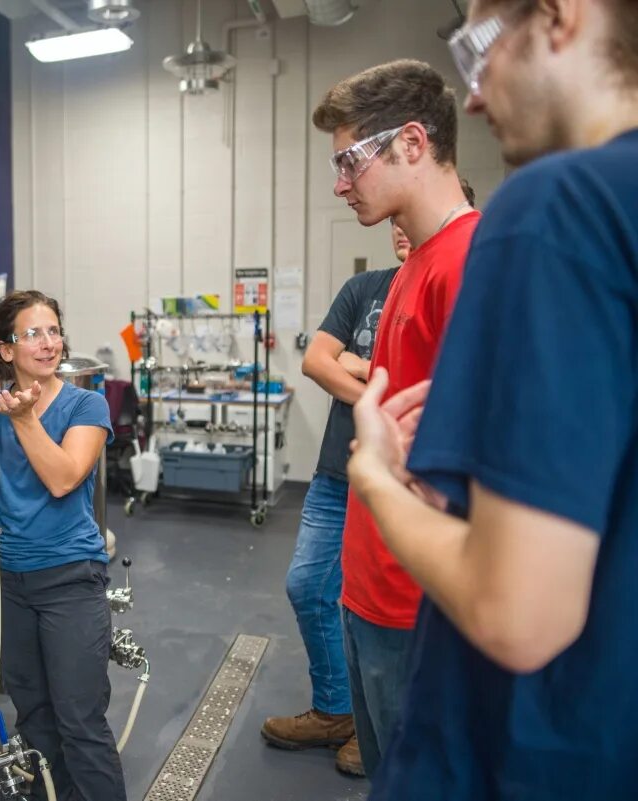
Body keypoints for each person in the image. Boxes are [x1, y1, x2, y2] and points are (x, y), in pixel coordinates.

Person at [348, 1, 638, 798]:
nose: (471, 98)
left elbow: (518, 610)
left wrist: (374, 474)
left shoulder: (557, 205)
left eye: (480, 49)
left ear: (561, 15)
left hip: (533, 751)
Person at [311, 59, 480, 778]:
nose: (341, 183)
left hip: (417, 602)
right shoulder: (413, 267)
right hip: (370, 580)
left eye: (351, 160)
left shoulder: (466, 261)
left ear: (411, 142)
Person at [0, 290, 123, 801]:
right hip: (6, 579)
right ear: (5, 350)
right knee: (37, 719)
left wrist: (22, 418)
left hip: (70, 579)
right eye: (32, 333)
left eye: (54, 330)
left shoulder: (86, 404)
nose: (48, 343)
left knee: (80, 720)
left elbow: (63, 478)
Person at [260, 226, 411, 777]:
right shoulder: (364, 288)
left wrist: (357, 364)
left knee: (385, 609)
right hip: (336, 473)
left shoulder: (450, 283)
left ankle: (386, 732)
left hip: (403, 478)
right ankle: (337, 711)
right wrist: (386, 388)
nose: (398, 226)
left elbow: (443, 380)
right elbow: (317, 362)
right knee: (309, 587)